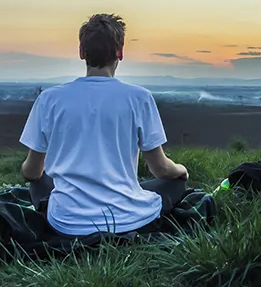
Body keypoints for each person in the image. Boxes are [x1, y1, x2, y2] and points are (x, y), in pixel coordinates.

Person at [18, 13, 189, 236]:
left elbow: (31, 172)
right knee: (175, 183)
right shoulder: (139, 98)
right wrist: (182, 171)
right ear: (120, 52)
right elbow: (160, 169)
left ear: (82, 53)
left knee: (39, 181)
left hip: (66, 222)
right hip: (127, 219)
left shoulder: (49, 99)